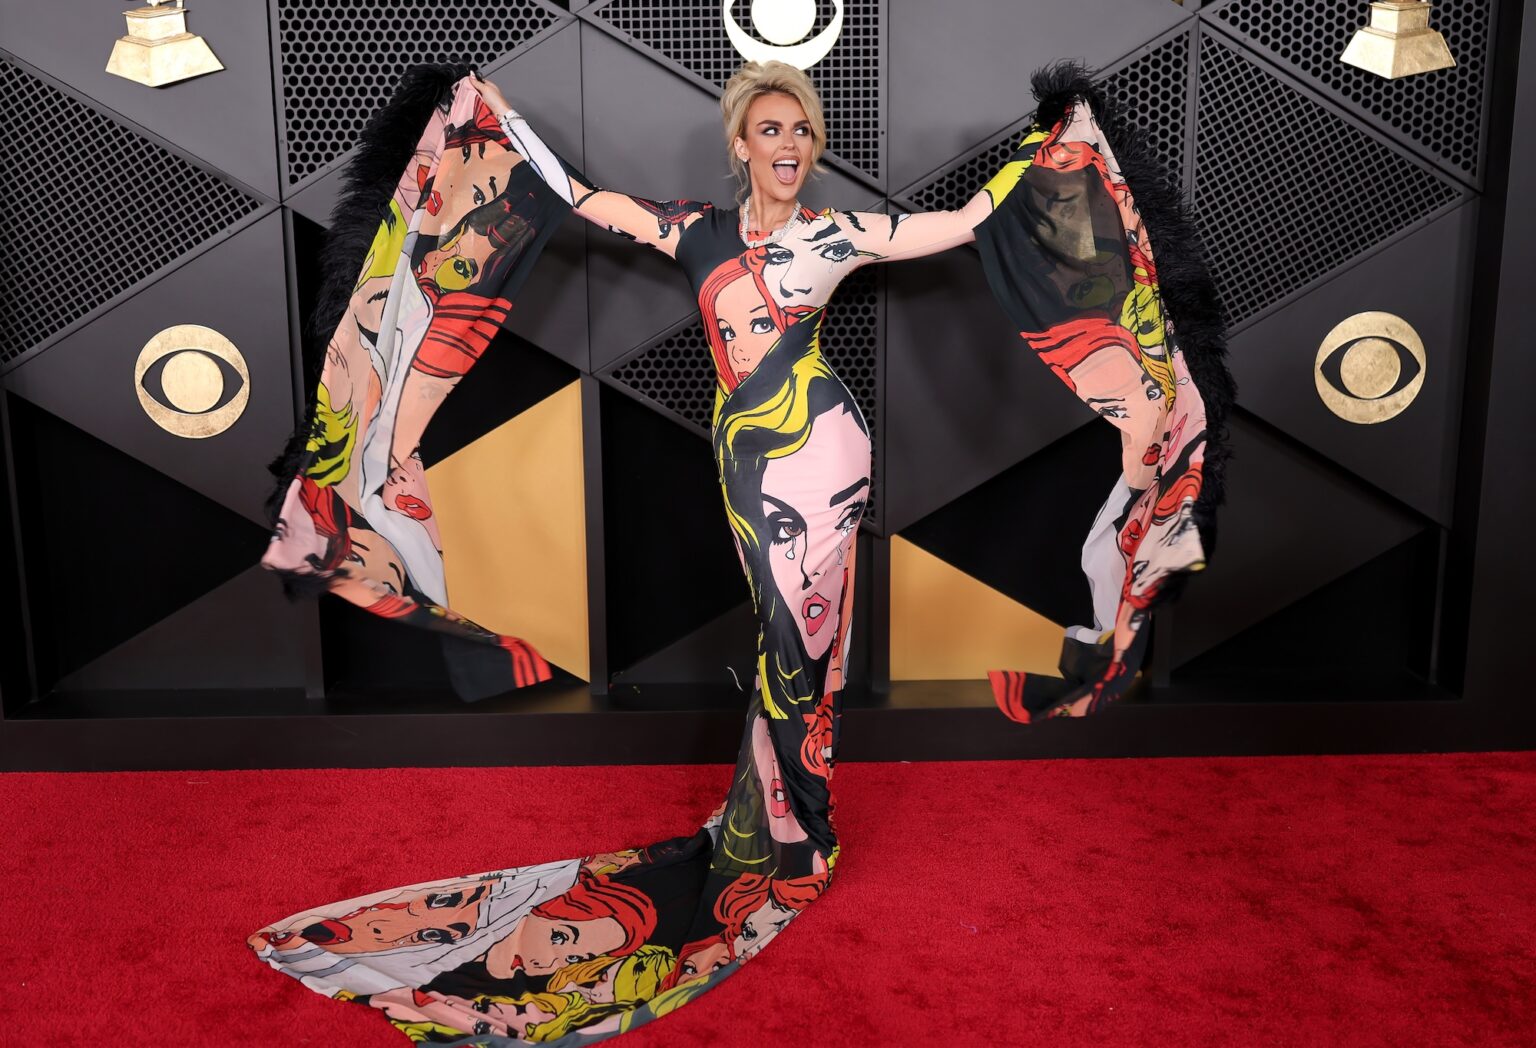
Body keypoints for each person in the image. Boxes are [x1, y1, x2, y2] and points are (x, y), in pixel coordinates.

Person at [251, 55, 1231, 1044]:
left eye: (801, 132)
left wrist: (1052, 143)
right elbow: (580, 199)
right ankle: (783, 819)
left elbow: (968, 225)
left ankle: (793, 832)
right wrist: (490, 122)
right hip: (738, 459)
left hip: (818, 449)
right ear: (742, 145)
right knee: (784, 640)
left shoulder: (838, 235)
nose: (789, 148)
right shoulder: (695, 230)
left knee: (801, 641)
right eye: (771, 132)